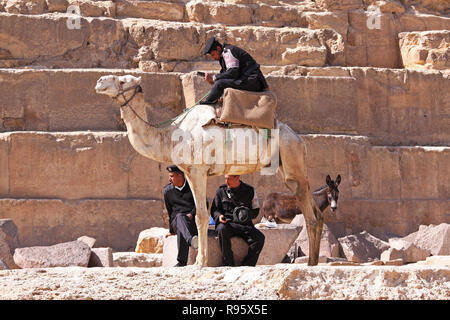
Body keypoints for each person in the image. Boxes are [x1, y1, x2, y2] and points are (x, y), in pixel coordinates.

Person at [210, 175, 265, 266]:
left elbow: (256, 210)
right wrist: (219, 216)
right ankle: (228, 263)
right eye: (225, 178)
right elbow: (214, 209)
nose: (226, 181)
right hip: (228, 224)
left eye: (229, 179)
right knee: (221, 229)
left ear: (237, 178)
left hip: (244, 225)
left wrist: (247, 214)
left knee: (259, 238)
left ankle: (247, 265)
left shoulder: (249, 190)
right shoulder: (221, 191)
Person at [200, 36, 269, 106]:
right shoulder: (224, 55)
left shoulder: (227, 52)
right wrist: (213, 79)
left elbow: (233, 73)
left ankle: (208, 103)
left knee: (219, 83)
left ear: (218, 48)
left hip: (251, 81)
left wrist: (214, 77)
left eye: (213, 54)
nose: (213, 58)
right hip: (250, 80)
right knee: (219, 82)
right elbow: (226, 75)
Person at [163, 165, 198, 267]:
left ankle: (182, 262)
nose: (169, 179)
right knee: (179, 218)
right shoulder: (167, 190)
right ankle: (190, 240)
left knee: (182, 224)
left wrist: (192, 214)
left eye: (172, 176)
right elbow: (170, 212)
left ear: (180, 175)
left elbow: (203, 203)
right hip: (176, 221)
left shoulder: (193, 187)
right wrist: (171, 230)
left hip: (191, 221)